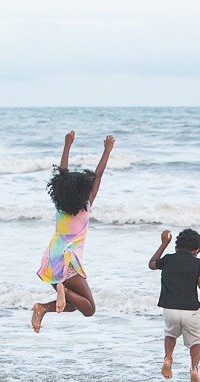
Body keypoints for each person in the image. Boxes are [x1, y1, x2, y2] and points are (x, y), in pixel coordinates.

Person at [31, 130, 115, 332]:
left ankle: (42, 308)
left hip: (52, 258)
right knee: (89, 309)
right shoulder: (85, 206)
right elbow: (99, 174)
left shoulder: (60, 206)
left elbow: (61, 173)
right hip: (69, 262)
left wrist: (67, 145)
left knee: (72, 307)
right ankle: (63, 289)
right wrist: (107, 150)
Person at [148, 228, 200, 382]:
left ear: (176, 247)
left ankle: (168, 358)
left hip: (170, 310)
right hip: (191, 311)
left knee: (170, 334)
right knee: (196, 341)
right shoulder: (198, 263)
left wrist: (163, 244)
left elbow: (152, 264)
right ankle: (194, 369)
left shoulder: (168, 259)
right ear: (197, 250)